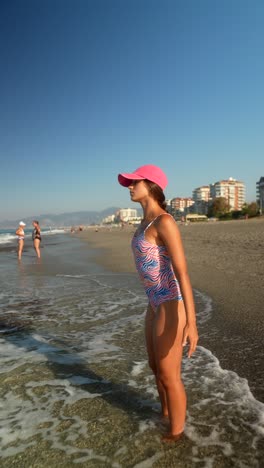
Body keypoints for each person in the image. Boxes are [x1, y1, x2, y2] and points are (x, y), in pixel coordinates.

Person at [118, 164, 199, 442]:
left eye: (135, 182)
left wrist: (192, 323)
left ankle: (176, 435)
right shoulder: (143, 223)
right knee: (155, 368)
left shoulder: (164, 222)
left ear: (151, 185)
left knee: (169, 375)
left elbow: (183, 273)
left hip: (170, 303)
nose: (130, 186)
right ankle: (164, 414)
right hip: (152, 304)